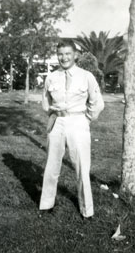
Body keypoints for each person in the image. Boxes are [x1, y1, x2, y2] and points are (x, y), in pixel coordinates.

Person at [39, 39, 104, 219]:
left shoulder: (86, 76)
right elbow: (46, 102)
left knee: (82, 167)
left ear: (75, 55)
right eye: (60, 54)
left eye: (68, 54)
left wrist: (85, 120)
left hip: (78, 122)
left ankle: (86, 209)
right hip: (57, 122)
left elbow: (97, 103)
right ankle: (46, 204)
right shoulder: (51, 77)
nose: (64, 58)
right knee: (51, 166)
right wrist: (54, 114)